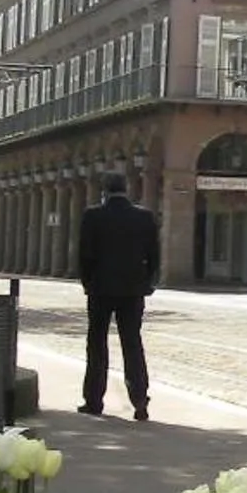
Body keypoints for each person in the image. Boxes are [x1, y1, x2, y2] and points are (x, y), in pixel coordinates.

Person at [78, 172, 161, 419]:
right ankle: (140, 401)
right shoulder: (144, 217)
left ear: (105, 190)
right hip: (133, 290)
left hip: (101, 289)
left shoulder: (93, 216)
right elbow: (154, 255)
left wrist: (88, 283)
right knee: (132, 344)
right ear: (126, 189)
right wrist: (148, 282)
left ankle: (94, 400)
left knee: (97, 344)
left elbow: (85, 256)